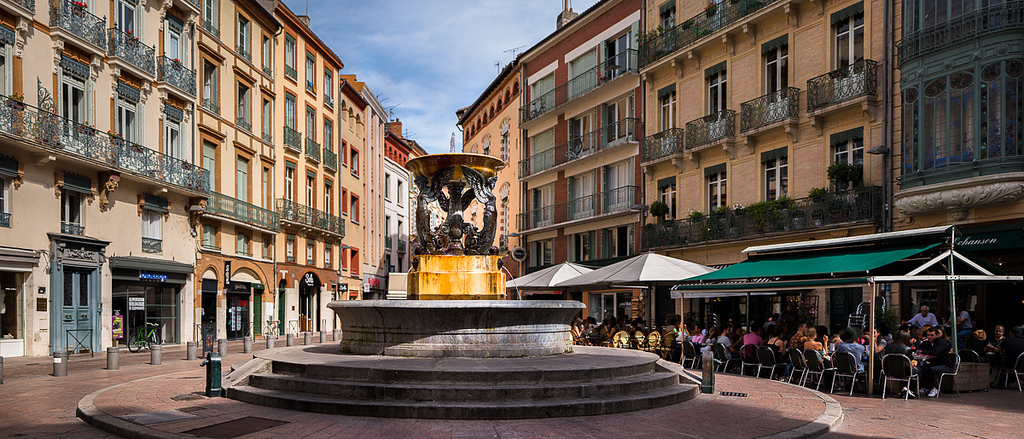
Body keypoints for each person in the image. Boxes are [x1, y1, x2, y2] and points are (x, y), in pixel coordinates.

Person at [919, 327, 953, 398]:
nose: (929, 337)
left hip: (945, 365)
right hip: (934, 363)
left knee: (932, 369)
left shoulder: (941, 342)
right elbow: (919, 350)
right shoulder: (926, 343)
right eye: (928, 335)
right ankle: (924, 387)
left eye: (931, 335)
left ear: (937, 335)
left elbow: (936, 352)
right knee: (923, 368)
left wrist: (925, 352)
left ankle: (933, 388)